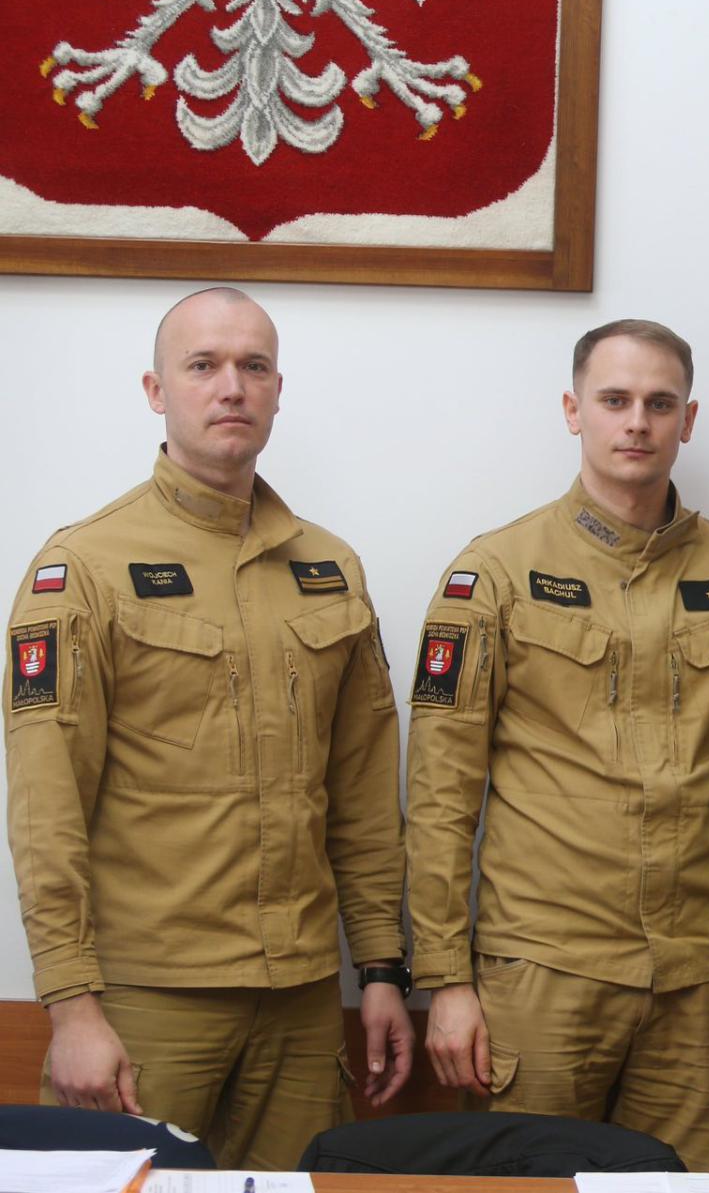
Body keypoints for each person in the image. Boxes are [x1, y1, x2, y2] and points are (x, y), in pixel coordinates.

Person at [3, 287, 411, 1169]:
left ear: (277, 391)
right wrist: (71, 1006)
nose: (232, 386)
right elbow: (45, 811)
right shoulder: (83, 567)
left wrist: (380, 969)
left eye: (254, 366)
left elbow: (365, 796)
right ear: (156, 390)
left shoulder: (330, 567)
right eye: (203, 365)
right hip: (147, 996)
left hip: (301, 998)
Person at [405, 320, 709, 1174]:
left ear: (687, 420)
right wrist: (445, 979)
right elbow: (441, 796)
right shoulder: (494, 574)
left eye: (659, 404)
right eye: (615, 399)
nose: (637, 422)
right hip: (544, 971)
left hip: (704, 978)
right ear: (573, 410)